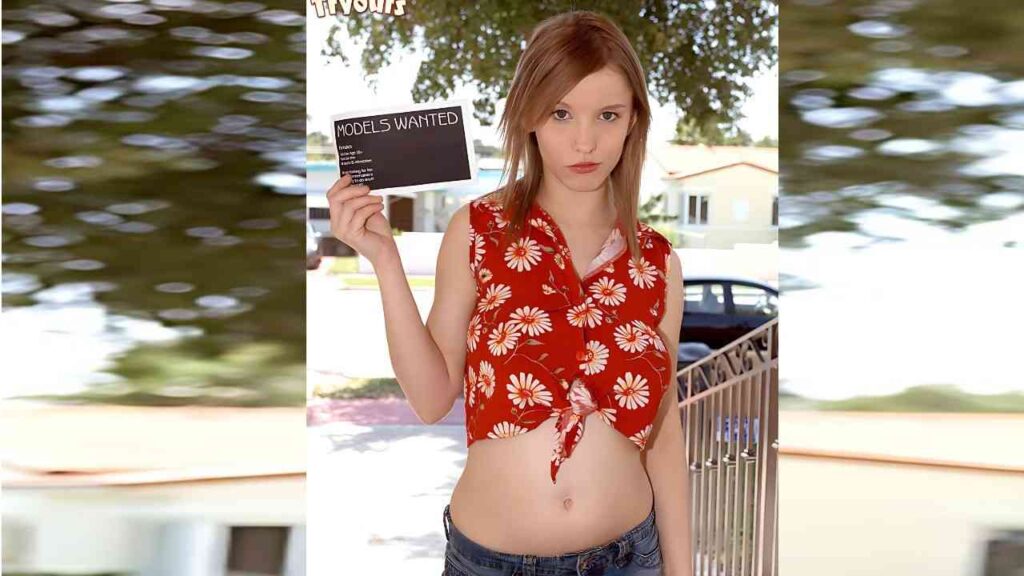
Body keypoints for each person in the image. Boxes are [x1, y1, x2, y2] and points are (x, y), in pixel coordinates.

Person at [327, 10, 692, 576]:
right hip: (489, 564)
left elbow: (663, 438)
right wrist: (385, 262)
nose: (585, 140)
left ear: (633, 122)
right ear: (529, 116)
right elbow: (430, 398)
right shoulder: (478, 231)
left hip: (627, 559)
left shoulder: (658, 262)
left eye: (608, 115)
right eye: (561, 113)